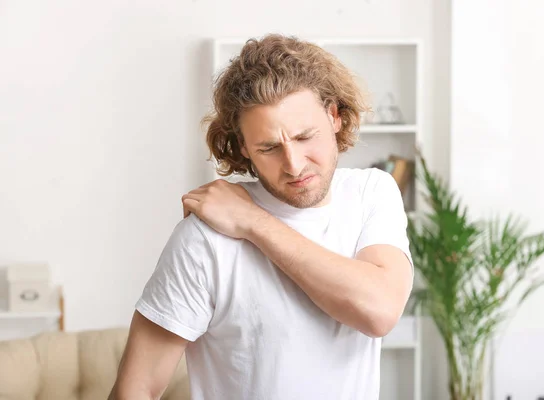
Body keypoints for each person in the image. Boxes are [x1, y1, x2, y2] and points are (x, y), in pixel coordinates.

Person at [109, 33, 414, 400]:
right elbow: (134, 389)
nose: (294, 164)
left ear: (334, 116)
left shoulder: (371, 193)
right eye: (269, 147)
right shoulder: (204, 238)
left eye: (305, 137)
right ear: (243, 148)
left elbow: (378, 311)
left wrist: (252, 222)